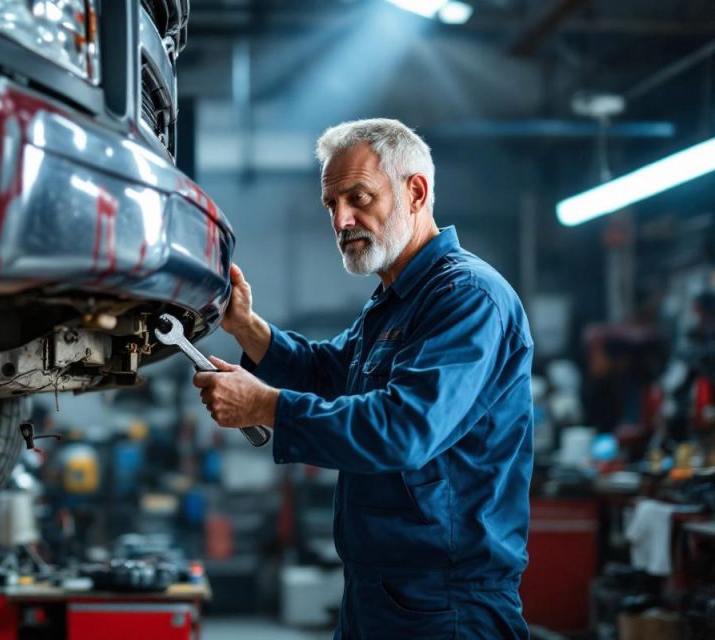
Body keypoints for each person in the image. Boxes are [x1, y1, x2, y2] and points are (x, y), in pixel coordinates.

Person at [193, 118, 533, 639]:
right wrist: (247, 327)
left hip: (446, 606)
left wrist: (266, 406)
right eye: (331, 204)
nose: (342, 219)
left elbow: (405, 428)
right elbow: (330, 373)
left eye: (359, 197)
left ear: (415, 192)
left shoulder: (467, 297)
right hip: (378, 594)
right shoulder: (396, 300)